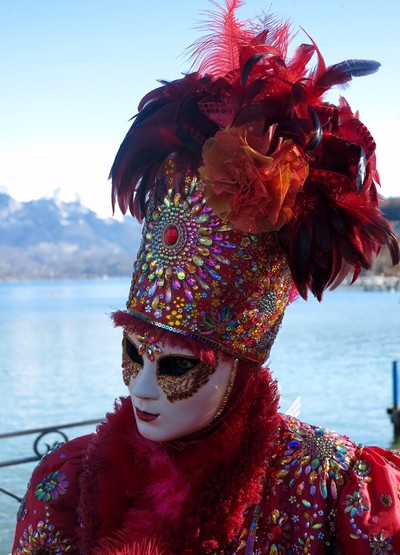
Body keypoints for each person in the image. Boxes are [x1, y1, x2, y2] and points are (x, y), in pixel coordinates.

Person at [11, 2, 400, 554]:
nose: (140, 388)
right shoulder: (67, 486)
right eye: (133, 353)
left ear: (239, 363)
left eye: (177, 366)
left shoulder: (331, 491)